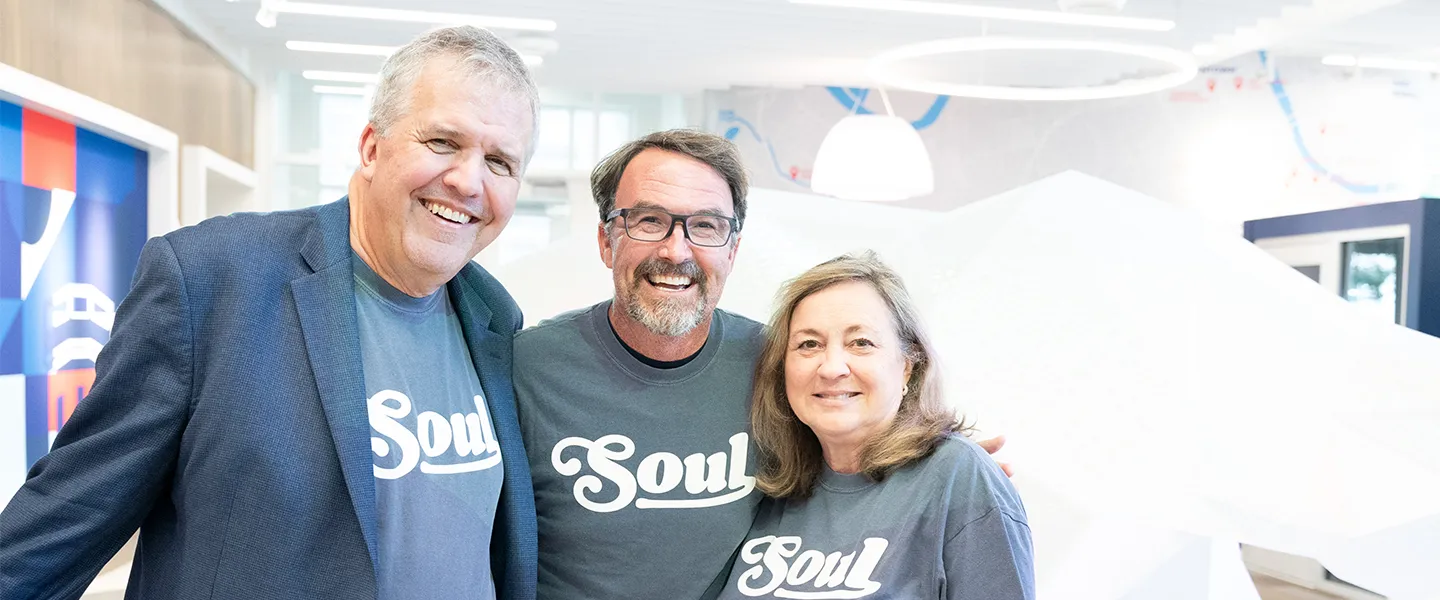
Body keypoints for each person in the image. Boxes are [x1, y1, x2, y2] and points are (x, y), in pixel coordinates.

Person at [0, 26, 539, 599]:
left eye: (500, 162)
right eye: (442, 143)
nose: (467, 181)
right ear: (371, 148)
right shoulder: (211, 282)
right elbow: (56, 532)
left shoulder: (494, 316)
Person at [512, 129, 1011, 599]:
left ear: (732, 250)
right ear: (606, 240)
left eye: (705, 226)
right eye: (648, 220)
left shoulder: (773, 362)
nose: (676, 249)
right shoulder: (525, 369)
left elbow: (853, 425)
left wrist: (943, 464)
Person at [716, 252, 1033, 600]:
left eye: (861, 343)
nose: (832, 367)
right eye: (809, 344)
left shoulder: (959, 477)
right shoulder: (769, 487)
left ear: (908, 367)